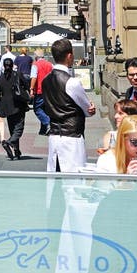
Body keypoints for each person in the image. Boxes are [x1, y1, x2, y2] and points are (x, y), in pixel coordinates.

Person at [41, 37, 96, 172]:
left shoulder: (45, 80)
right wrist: (91, 108)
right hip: (72, 135)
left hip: (54, 134)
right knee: (73, 183)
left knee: (55, 178)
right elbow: (88, 109)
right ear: (69, 55)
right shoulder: (72, 82)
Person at [0, 58, 29, 160]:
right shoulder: (18, 74)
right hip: (18, 105)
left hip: (7, 107)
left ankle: (16, 151)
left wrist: (2, 101)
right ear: (13, 65)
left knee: (12, 129)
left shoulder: (0, 79)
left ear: (4, 66)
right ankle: (8, 142)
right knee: (19, 129)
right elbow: (26, 85)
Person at [30, 48, 53, 135]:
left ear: (36, 56)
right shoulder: (50, 64)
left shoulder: (35, 65)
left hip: (40, 90)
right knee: (45, 109)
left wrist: (31, 88)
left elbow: (34, 77)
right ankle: (43, 130)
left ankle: (48, 123)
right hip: (50, 90)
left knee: (37, 109)